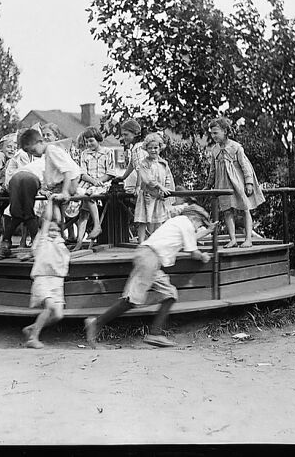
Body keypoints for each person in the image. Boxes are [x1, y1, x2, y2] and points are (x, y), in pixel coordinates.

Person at [84, 205, 218, 348]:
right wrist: (203, 257)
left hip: (152, 259)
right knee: (131, 300)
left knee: (169, 294)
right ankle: (95, 323)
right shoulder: (186, 223)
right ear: (194, 218)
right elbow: (193, 251)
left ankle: (155, 334)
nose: (198, 228)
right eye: (200, 224)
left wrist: (208, 231)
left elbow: (190, 239)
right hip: (150, 258)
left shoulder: (180, 222)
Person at [0, 129, 81, 257]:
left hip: (65, 182)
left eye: (32, 151)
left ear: (40, 142)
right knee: (44, 216)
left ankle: (39, 246)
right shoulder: (47, 154)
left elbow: (68, 171)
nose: (33, 154)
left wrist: (65, 192)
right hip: (50, 183)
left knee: (45, 217)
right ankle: (41, 246)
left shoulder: (52, 151)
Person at [205, 116, 265, 248]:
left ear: (225, 131)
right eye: (212, 133)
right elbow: (213, 170)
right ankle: (233, 239)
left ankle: (248, 238)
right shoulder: (214, 150)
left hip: (237, 183)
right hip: (223, 184)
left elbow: (245, 166)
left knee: (245, 209)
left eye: (216, 133)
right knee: (227, 210)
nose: (213, 136)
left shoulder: (236, 147)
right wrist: (208, 185)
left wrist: (249, 183)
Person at [22, 197, 71, 349]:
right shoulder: (43, 241)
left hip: (57, 282)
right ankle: (33, 338)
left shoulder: (62, 246)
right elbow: (48, 219)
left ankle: (32, 328)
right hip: (42, 279)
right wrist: (50, 202)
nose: (54, 232)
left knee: (58, 315)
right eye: (51, 230)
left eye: (57, 230)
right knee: (49, 306)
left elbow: (58, 221)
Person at [72, 126, 115, 248]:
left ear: (98, 139)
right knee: (82, 210)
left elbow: (110, 172)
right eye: (86, 141)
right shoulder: (85, 154)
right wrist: (92, 180)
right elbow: (83, 173)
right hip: (89, 183)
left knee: (89, 193)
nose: (88, 144)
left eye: (91, 140)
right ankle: (79, 243)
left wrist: (98, 181)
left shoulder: (107, 152)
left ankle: (97, 225)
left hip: (103, 184)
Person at [134, 133, 175, 243]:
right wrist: (160, 186)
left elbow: (167, 177)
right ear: (146, 149)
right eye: (150, 148)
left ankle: (158, 241)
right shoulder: (144, 164)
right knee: (143, 220)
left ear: (160, 148)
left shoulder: (163, 163)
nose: (153, 150)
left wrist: (165, 189)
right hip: (147, 194)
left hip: (159, 196)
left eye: (155, 148)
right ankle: (141, 242)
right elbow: (148, 179)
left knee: (159, 219)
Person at [110, 118, 147, 194]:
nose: (123, 137)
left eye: (126, 134)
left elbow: (141, 169)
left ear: (136, 133)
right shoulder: (133, 147)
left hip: (143, 186)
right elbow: (132, 164)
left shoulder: (138, 149)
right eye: (122, 135)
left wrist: (138, 187)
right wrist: (124, 177)